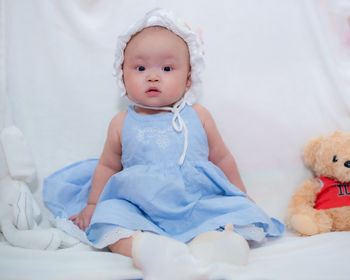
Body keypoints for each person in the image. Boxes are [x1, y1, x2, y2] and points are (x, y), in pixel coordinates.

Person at [43, 8, 284, 279]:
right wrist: (92, 204)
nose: (153, 76)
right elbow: (108, 166)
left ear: (188, 79)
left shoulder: (199, 116)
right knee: (109, 218)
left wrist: (241, 194)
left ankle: (218, 246)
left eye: (167, 68)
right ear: (122, 75)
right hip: (138, 203)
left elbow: (222, 158)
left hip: (196, 199)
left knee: (236, 215)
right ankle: (145, 249)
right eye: (141, 68)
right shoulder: (122, 122)